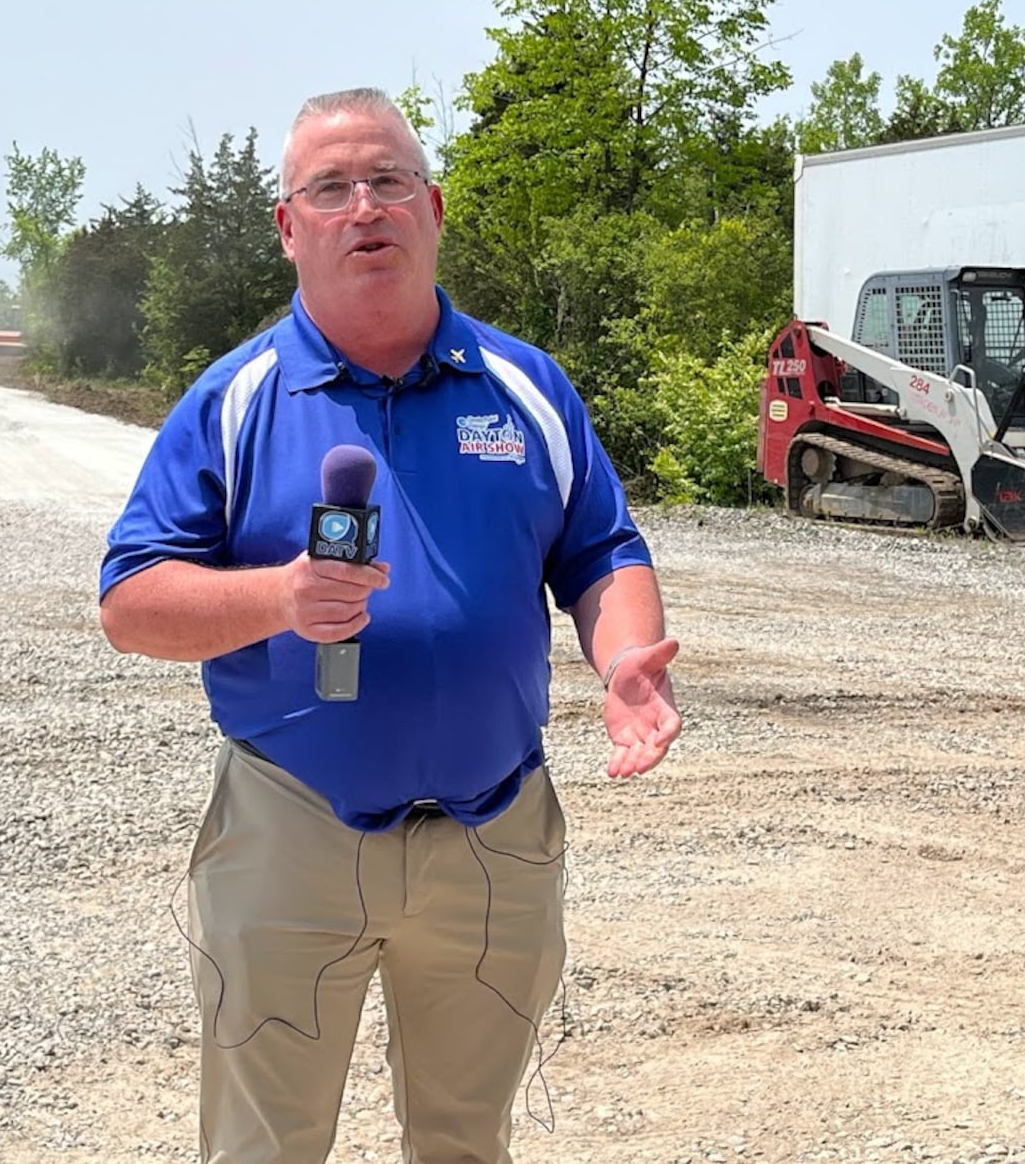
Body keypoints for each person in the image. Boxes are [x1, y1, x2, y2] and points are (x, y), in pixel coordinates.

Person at [98, 86, 680, 1164]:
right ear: (288, 226)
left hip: (494, 833)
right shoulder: (236, 398)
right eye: (329, 187)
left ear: (433, 206)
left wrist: (623, 657)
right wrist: (277, 597)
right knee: (262, 1148)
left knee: (465, 1142)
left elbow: (600, 549)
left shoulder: (524, 388)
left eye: (388, 180)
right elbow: (130, 601)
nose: (363, 205)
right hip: (289, 833)